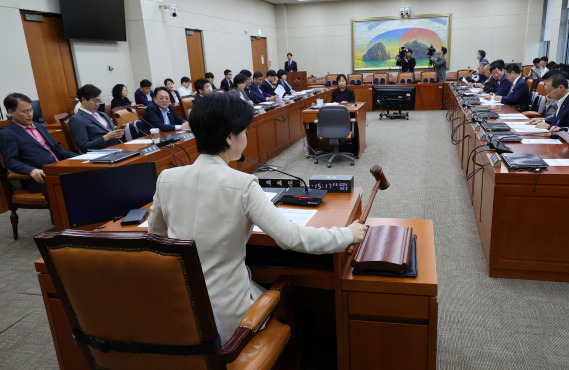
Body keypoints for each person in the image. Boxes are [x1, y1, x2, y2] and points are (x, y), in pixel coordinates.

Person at [147, 92, 366, 344]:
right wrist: (348, 234)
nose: (247, 136)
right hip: (227, 318)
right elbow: (292, 238)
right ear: (230, 137)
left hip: (180, 309)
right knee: (294, 312)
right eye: (245, 131)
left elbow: (156, 240)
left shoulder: (167, 178)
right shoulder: (243, 184)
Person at [0, 93, 76, 193]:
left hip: (60, 169)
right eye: (25, 111)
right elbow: (11, 161)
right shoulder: (7, 134)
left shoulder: (39, 126)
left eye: (31, 110)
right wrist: (31, 170)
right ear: (11, 112)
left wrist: (81, 158)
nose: (30, 114)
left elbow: (58, 149)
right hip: (42, 177)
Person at [69, 84, 124, 153]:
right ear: (83, 99)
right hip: (104, 152)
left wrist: (118, 131)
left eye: (99, 101)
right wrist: (106, 137)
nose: (98, 104)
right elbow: (84, 147)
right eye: (95, 101)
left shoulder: (102, 114)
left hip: (120, 146)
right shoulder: (77, 119)